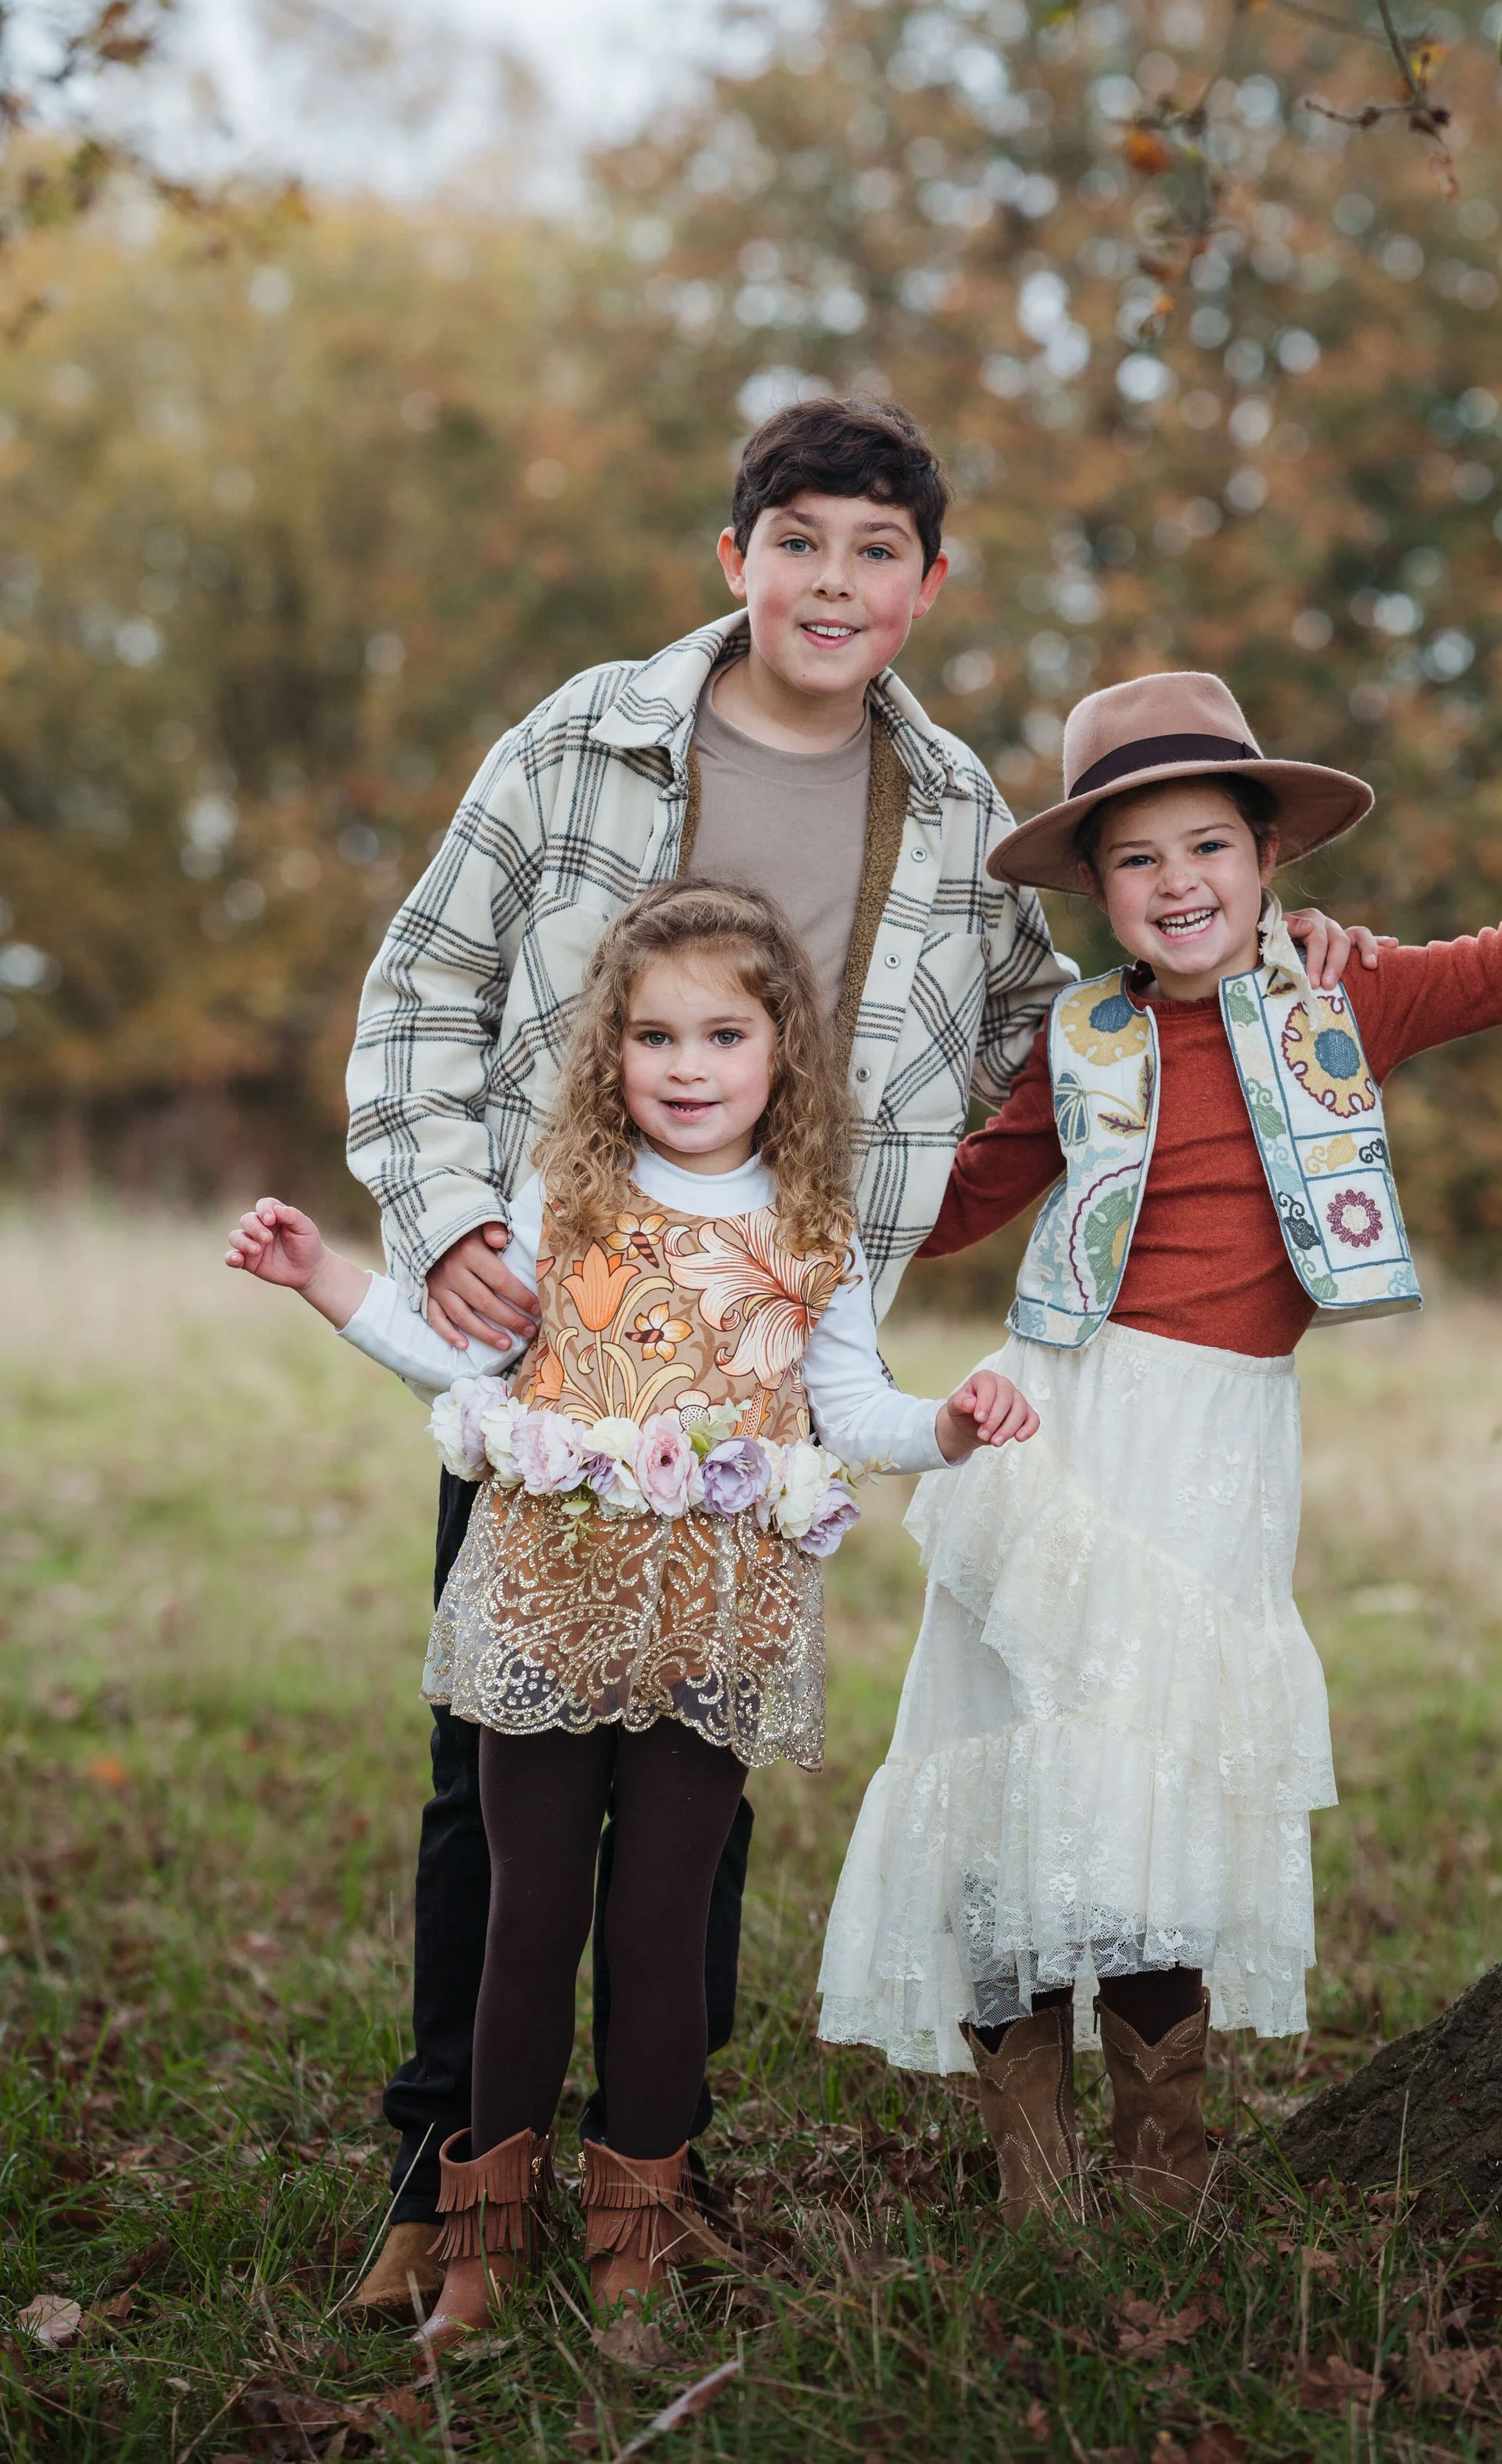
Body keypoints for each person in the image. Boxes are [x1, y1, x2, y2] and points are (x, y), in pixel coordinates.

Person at [339, 394, 1371, 2313]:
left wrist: (1271, 955)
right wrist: (449, 1220)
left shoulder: (959, 807)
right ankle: (437, 2171)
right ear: (734, 560)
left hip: (774, 1361)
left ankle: (663, 2159)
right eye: (795, 540)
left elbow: (1061, 1030)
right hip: (566, 1338)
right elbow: (425, 988)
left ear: (923, 585)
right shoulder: (585, 738)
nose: (832, 580)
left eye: (872, 551)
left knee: (698, 1797)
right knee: (496, 1780)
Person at [818, 656, 1502, 2220]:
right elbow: (936, 1209)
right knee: (1008, 1784)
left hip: (1216, 1448)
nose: (1177, 883)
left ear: (1267, 857)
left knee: (1149, 1799)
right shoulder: (1079, 1040)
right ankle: (1033, 2177)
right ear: (1091, 884)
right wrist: (776, 1152)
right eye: (1136, 857)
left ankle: (1159, 2172)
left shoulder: (1338, 999)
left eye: (1207, 846)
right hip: (1054, 1423)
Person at [231, 881, 1040, 2345]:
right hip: (543, 1602)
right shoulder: (568, 1200)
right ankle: (477, 2250)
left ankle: (636, 2251)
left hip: (713, 1627)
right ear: (611, 1050)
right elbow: (456, 1361)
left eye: (723, 1033)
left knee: (664, 1924)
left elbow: (849, 1406)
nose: (686, 1065)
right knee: (528, 1918)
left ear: (782, 1051)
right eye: (654, 1034)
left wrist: (955, 1427)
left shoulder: (813, 1226)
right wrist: (326, 1281)